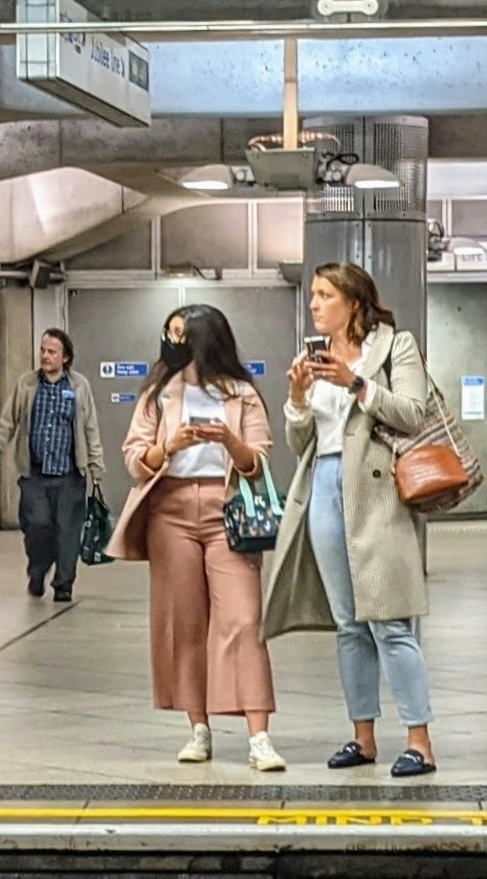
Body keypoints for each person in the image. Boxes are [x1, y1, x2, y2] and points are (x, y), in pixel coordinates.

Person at [261, 262, 443, 777]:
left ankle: (419, 741)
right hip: (323, 483)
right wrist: (297, 399)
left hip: (379, 489)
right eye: (313, 296)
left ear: (353, 302)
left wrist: (357, 383)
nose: (314, 304)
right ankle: (363, 737)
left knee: (389, 617)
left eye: (324, 295)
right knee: (348, 623)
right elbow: (302, 442)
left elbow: (414, 412)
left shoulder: (395, 345)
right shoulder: (313, 358)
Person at [107, 306, 280, 770]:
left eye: (181, 334)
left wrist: (228, 440)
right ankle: (198, 728)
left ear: (205, 341)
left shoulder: (241, 393)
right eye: (169, 332)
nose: (171, 341)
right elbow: (133, 455)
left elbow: (258, 462)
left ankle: (259, 736)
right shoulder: (159, 392)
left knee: (244, 618)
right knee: (184, 622)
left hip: (229, 512)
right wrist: (171, 446)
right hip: (171, 510)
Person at [0, 327, 104, 602]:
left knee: (68, 533)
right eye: (43, 350)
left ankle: (64, 583)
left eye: (52, 352)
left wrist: (95, 464)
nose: (45, 356)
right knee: (37, 526)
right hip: (35, 475)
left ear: (65, 357)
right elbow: (8, 420)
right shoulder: (27, 384)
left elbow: (90, 427)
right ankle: (38, 570)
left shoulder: (79, 387)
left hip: (69, 475)